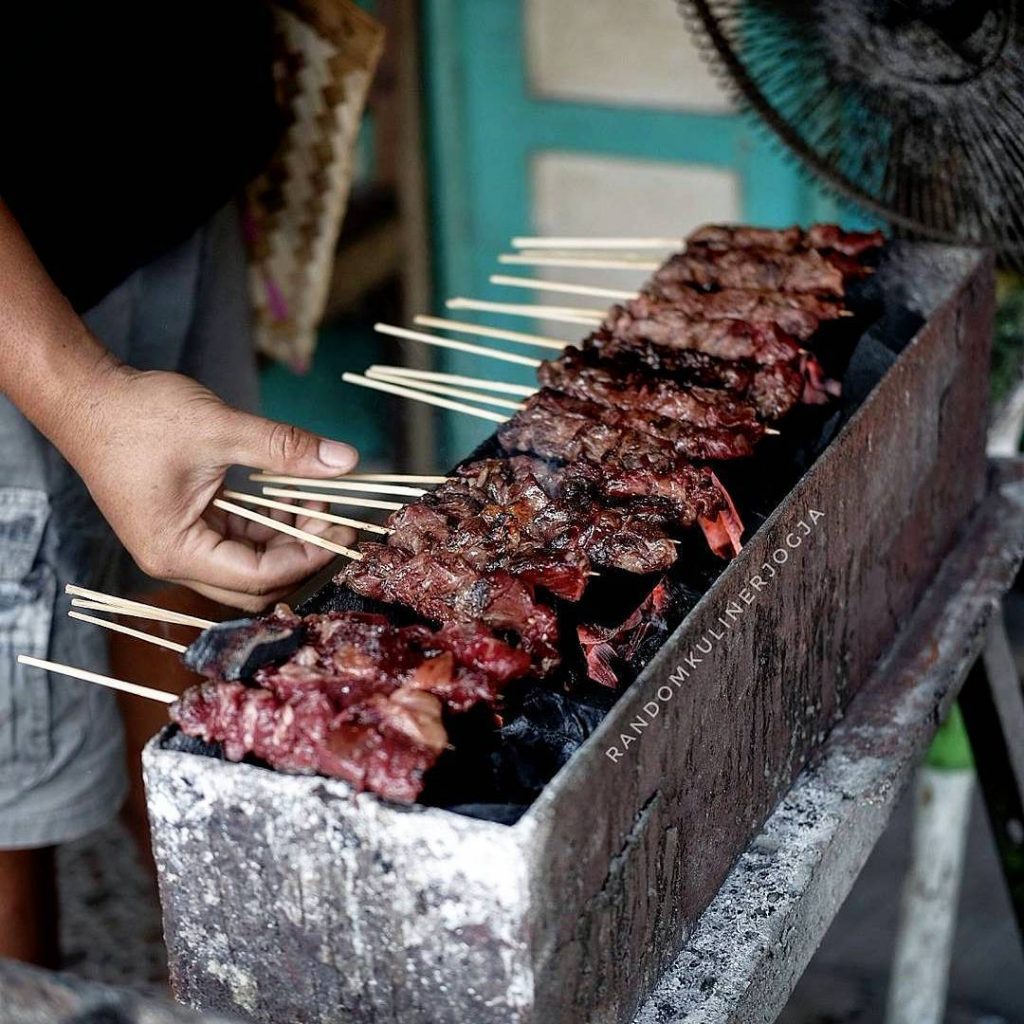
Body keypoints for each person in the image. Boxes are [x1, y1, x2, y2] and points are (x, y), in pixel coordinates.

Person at [0, 3, 360, 965]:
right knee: (10, 787)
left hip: (173, 205)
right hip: (16, 301)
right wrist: (83, 396)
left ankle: (219, 971)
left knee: (192, 611)